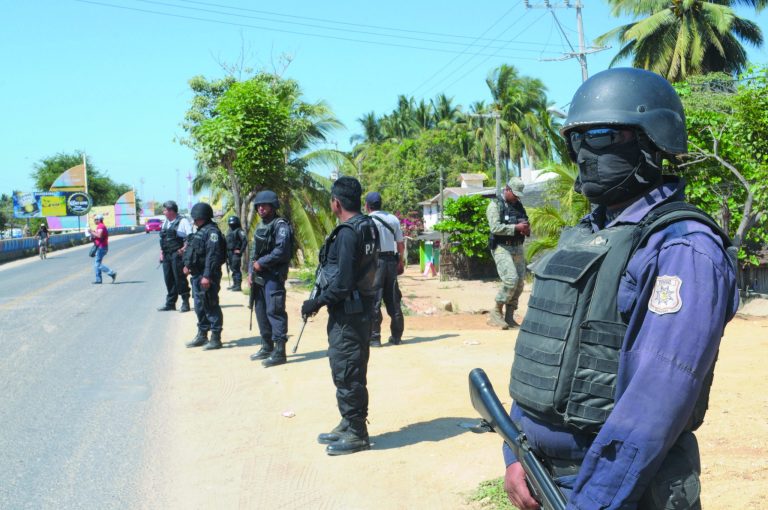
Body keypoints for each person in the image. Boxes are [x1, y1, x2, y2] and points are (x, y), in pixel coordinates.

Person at [502, 68, 739, 510]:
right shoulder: (584, 236)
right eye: (576, 139)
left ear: (652, 140)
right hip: (543, 478)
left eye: (602, 136)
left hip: (623, 492)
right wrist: (516, 454)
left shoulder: (683, 247)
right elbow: (544, 361)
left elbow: (657, 399)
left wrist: (593, 501)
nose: (584, 153)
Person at [301, 176, 378, 456]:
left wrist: (317, 302)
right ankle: (348, 421)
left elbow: (343, 283)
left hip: (348, 313)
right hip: (362, 308)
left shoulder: (347, 232)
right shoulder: (368, 225)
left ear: (336, 203)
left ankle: (357, 433)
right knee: (350, 368)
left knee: (347, 371)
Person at [247, 191, 293, 368]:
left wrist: (262, 263)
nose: (261, 208)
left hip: (273, 276)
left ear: (273, 206)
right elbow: (253, 251)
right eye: (258, 206)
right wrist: (251, 271)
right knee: (260, 310)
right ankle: (267, 347)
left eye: (264, 205)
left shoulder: (280, 225)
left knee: (275, 311)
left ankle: (280, 352)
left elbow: (282, 251)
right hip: (259, 276)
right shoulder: (261, 225)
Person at [486, 177, 530, 330]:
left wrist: (526, 229)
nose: (517, 197)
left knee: (519, 283)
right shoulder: (495, 205)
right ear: (507, 189)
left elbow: (524, 222)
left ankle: (509, 316)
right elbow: (495, 228)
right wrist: (516, 228)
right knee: (511, 279)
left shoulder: (518, 205)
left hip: (517, 246)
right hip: (501, 247)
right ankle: (496, 312)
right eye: (515, 194)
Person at [183, 202, 227, 351]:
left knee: (210, 305)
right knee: (199, 307)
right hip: (197, 275)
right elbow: (194, 251)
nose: (194, 220)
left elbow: (212, 256)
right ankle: (202, 335)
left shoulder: (212, 232)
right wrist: (188, 265)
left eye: (196, 217)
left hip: (208, 275)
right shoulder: (200, 231)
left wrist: (207, 276)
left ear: (202, 217)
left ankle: (216, 338)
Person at [364, 191, 405, 347]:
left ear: (367, 205)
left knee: (374, 299)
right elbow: (400, 244)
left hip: (375, 263)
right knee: (393, 298)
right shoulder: (393, 219)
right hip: (391, 261)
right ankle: (396, 336)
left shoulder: (367, 221)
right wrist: (400, 261)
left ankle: (375, 338)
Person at [157, 200, 193, 312]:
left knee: (180, 279)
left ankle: (185, 302)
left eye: (165, 210)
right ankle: (170, 303)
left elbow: (190, 238)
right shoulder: (165, 222)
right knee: (169, 279)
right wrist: (161, 253)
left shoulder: (183, 221)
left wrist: (183, 249)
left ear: (171, 211)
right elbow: (163, 239)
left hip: (177, 255)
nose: (163, 212)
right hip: (167, 255)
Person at [89, 214, 117, 284]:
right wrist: (92, 236)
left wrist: (91, 232)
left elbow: (99, 235)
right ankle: (98, 280)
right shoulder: (99, 226)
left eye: (95, 219)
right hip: (100, 247)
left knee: (97, 264)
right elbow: (98, 236)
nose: (94, 221)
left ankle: (112, 273)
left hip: (101, 247)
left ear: (99, 220)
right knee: (97, 264)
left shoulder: (101, 226)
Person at [225, 216, 248, 292]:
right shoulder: (229, 231)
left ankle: (238, 286)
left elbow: (245, 240)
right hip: (229, 253)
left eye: (233, 224)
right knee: (232, 268)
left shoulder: (239, 230)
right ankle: (235, 284)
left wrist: (240, 251)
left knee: (236, 269)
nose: (232, 225)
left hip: (235, 253)